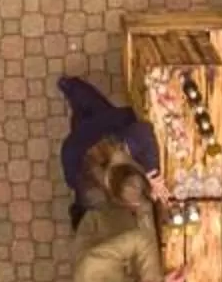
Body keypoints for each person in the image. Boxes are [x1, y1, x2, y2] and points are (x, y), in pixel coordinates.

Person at [71, 142, 176, 282]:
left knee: (129, 183)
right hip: (124, 258)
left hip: (104, 216)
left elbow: (140, 240)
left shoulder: (94, 264)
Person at [56, 75, 158, 232]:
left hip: (101, 131)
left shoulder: (117, 150)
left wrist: (152, 172)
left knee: (98, 113)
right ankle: (70, 87)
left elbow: (143, 131)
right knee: (85, 119)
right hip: (75, 147)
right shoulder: (76, 181)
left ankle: (73, 88)